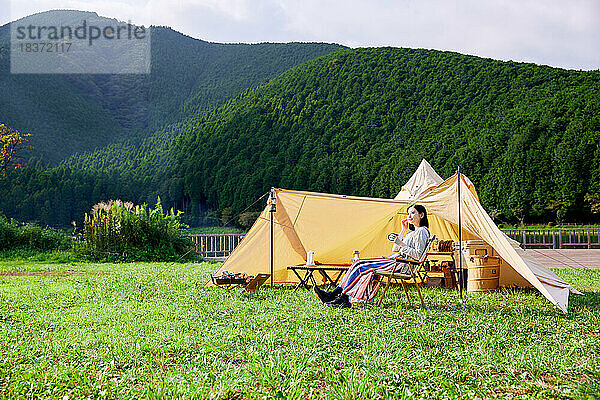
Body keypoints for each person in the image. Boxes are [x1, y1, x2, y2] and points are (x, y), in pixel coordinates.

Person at [314, 204, 430, 308]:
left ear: (421, 215)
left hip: (403, 265)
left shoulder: (422, 231)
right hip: (397, 260)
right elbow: (395, 249)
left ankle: (339, 296)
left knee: (359, 265)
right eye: (408, 213)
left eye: (413, 213)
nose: (409, 215)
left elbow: (418, 255)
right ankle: (336, 295)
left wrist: (401, 244)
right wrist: (403, 230)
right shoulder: (411, 232)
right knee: (357, 263)